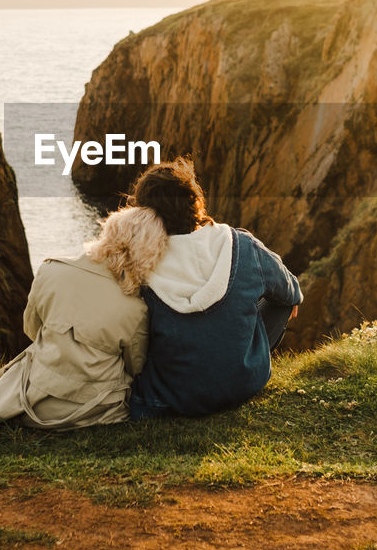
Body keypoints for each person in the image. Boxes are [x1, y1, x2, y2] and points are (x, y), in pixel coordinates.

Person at [0, 205, 168, 431]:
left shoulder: (51, 270)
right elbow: (135, 366)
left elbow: (30, 328)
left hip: (37, 402)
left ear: (109, 231)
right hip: (96, 412)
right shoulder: (136, 309)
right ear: (150, 254)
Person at [127, 158, 302, 419]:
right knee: (283, 300)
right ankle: (235, 362)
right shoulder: (241, 244)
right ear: (195, 202)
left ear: (145, 215)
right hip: (243, 385)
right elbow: (291, 293)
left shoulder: (139, 265)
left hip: (170, 397)